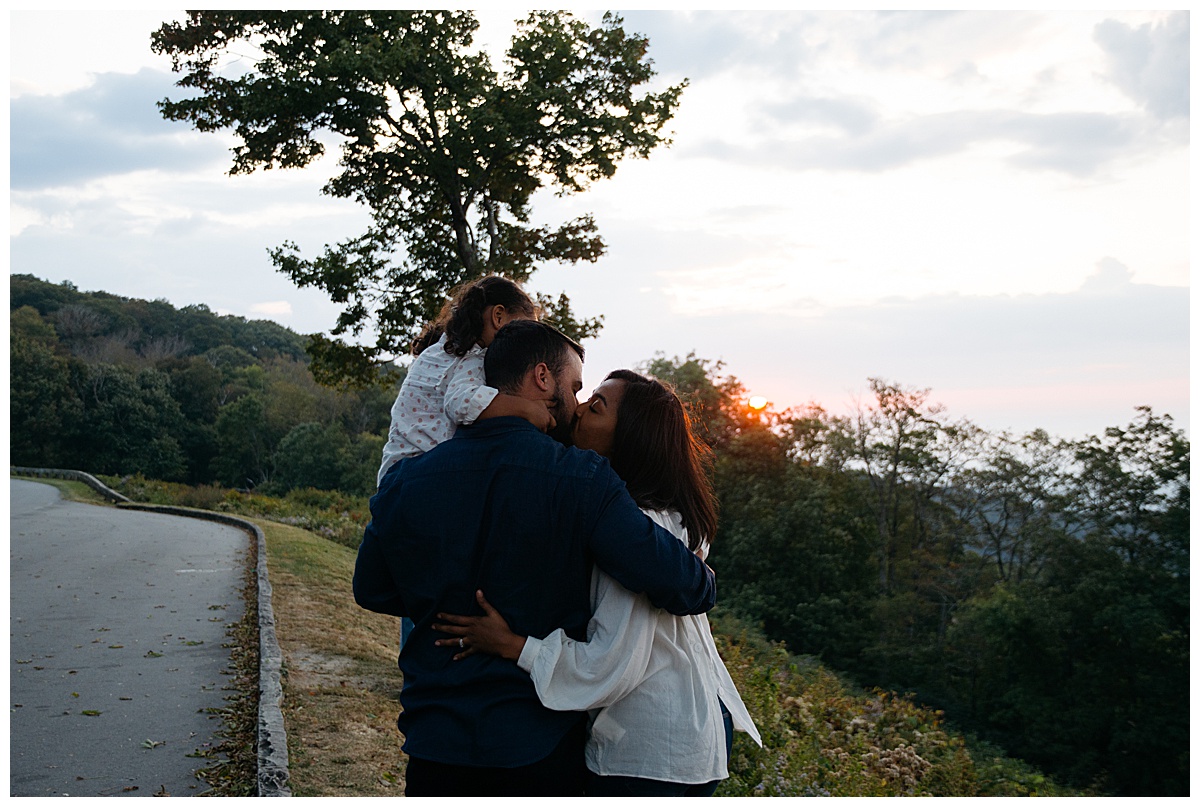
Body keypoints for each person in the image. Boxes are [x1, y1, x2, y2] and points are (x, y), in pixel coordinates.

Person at [353, 321, 717, 797]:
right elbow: (681, 584)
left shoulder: (408, 479)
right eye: (574, 387)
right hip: (537, 746)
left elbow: (371, 589)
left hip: (434, 742)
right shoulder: (582, 479)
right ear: (542, 379)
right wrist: (704, 575)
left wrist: (444, 594)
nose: (575, 403)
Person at [433, 369, 763, 795]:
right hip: (690, 736)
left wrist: (512, 645)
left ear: (629, 437)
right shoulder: (670, 522)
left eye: (597, 406)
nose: (580, 408)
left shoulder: (631, 532)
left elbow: (611, 663)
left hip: (648, 749)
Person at [375, 274, 548, 487]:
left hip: (394, 475)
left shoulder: (440, 351)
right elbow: (462, 403)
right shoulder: (471, 357)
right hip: (418, 477)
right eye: (523, 333)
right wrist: (527, 409)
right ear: (498, 316)